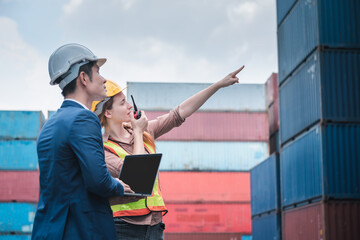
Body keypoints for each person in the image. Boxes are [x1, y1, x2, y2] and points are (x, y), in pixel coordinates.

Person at [91, 65, 245, 240]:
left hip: (155, 226)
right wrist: (139, 132)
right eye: (121, 103)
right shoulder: (103, 149)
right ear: (108, 113)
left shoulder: (143, 130)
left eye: (127, 100)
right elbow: (138, 177)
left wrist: (217, 85)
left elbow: (178, 114)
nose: (128, 106)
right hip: (124, 228)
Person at [32, 43, 132, 240]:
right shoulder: (84, 119)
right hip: (81, 231)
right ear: (84, 78)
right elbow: (99, 181)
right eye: (98, 71)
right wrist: (120, 186)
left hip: (48, 231)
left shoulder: (50, 125)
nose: (103, 79)